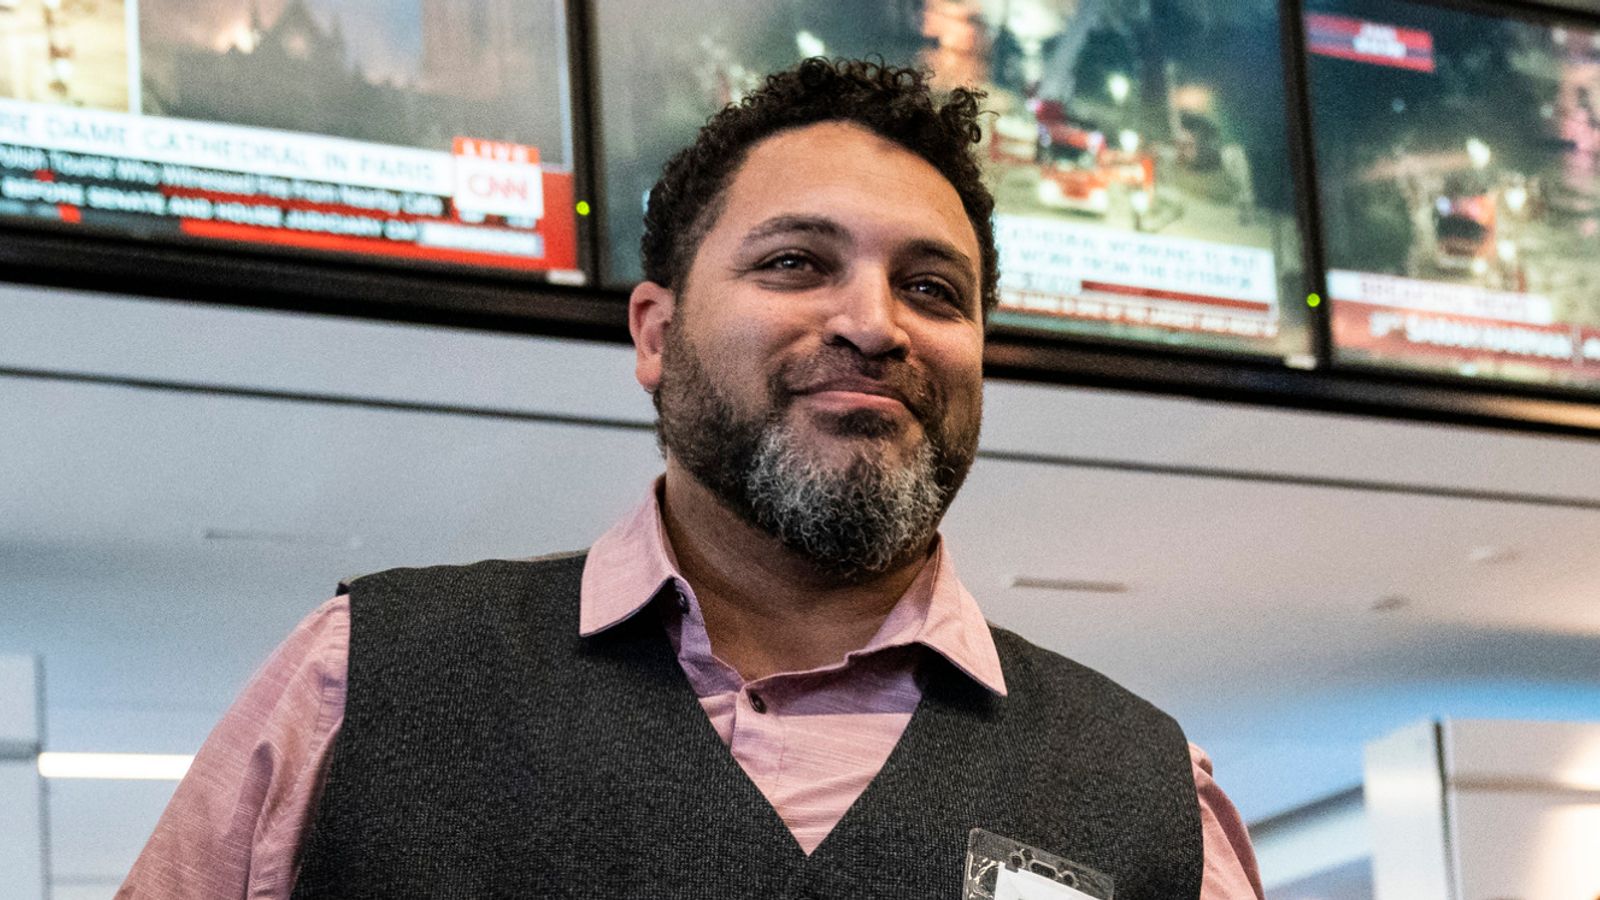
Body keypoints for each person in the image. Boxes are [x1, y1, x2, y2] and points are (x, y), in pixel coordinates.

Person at [120, 59, 1264, 899]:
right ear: (657, 334)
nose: (872, 324)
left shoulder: (1150, 793)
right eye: (795, 263)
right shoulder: (362, 677)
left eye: (932, 289)